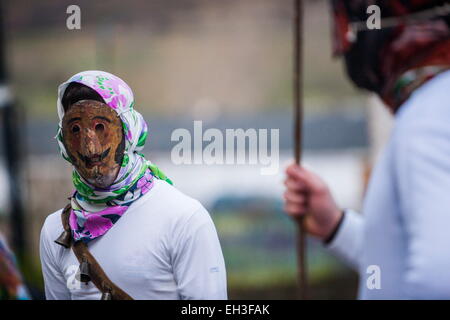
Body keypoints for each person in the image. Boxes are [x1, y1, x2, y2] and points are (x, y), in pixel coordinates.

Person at [284, 1, 450, 299]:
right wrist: (337, 226)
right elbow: (400, 269)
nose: (343, 44)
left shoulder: (428, 117)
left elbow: (439, 278)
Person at [39, 70, 227, 300]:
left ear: (129, 129)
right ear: (63, 141)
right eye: (75, 129)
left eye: (101, 127)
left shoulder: (183, 218)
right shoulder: (56, 232)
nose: (90, 147)